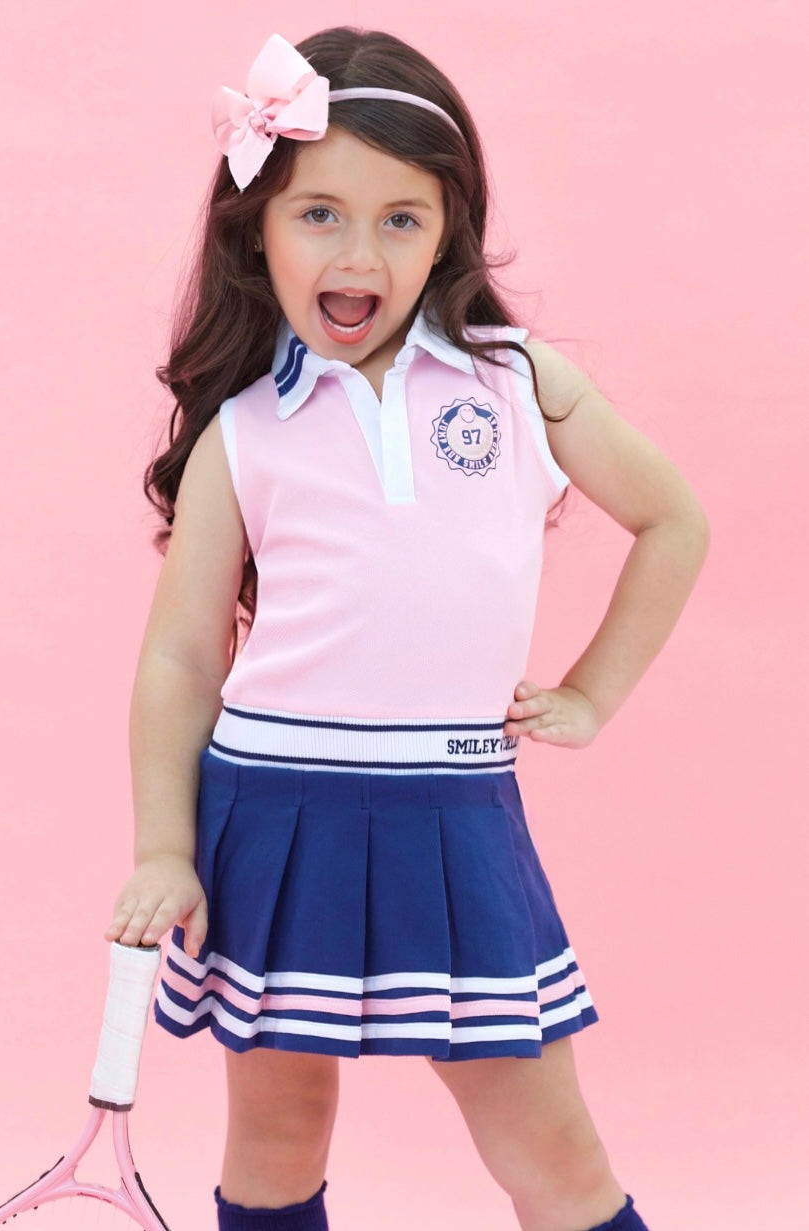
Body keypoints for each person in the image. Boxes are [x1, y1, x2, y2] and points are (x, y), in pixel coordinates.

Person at [105, 27, 709, 1231]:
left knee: (551, 1145)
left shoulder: (516, 382)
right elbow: (179, 656)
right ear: (257, 231)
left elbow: (671, 519)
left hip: (455, 812)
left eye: (399, 219)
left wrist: (590, 692)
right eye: (318, 214)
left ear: (446, 233)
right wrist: (164, 846)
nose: (357, 252)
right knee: (276, 1134)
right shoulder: (244, 431)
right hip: (271, 818)